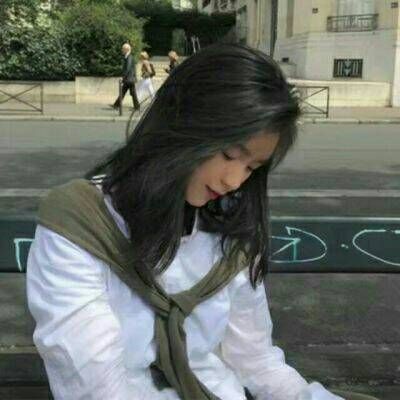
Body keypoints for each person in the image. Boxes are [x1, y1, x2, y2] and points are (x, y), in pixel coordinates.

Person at [26, 44, 379, 400]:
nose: (234, 181)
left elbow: (256, 361)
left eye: (251, 168)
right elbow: (94, 387)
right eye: (229, 154)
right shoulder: (81, 222)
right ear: (182, 123)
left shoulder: (231, 229)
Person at [111, 43, 140, 111]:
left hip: (129, 79)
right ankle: (116, 105)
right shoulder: (128, 56)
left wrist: (123, 77)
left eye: (123, 49)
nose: (122, 50)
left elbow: (127, 68)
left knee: (129, 92)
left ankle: (136, 107)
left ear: (126, 49)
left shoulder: (129, 57)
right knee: (125, 92)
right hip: (129, 79)